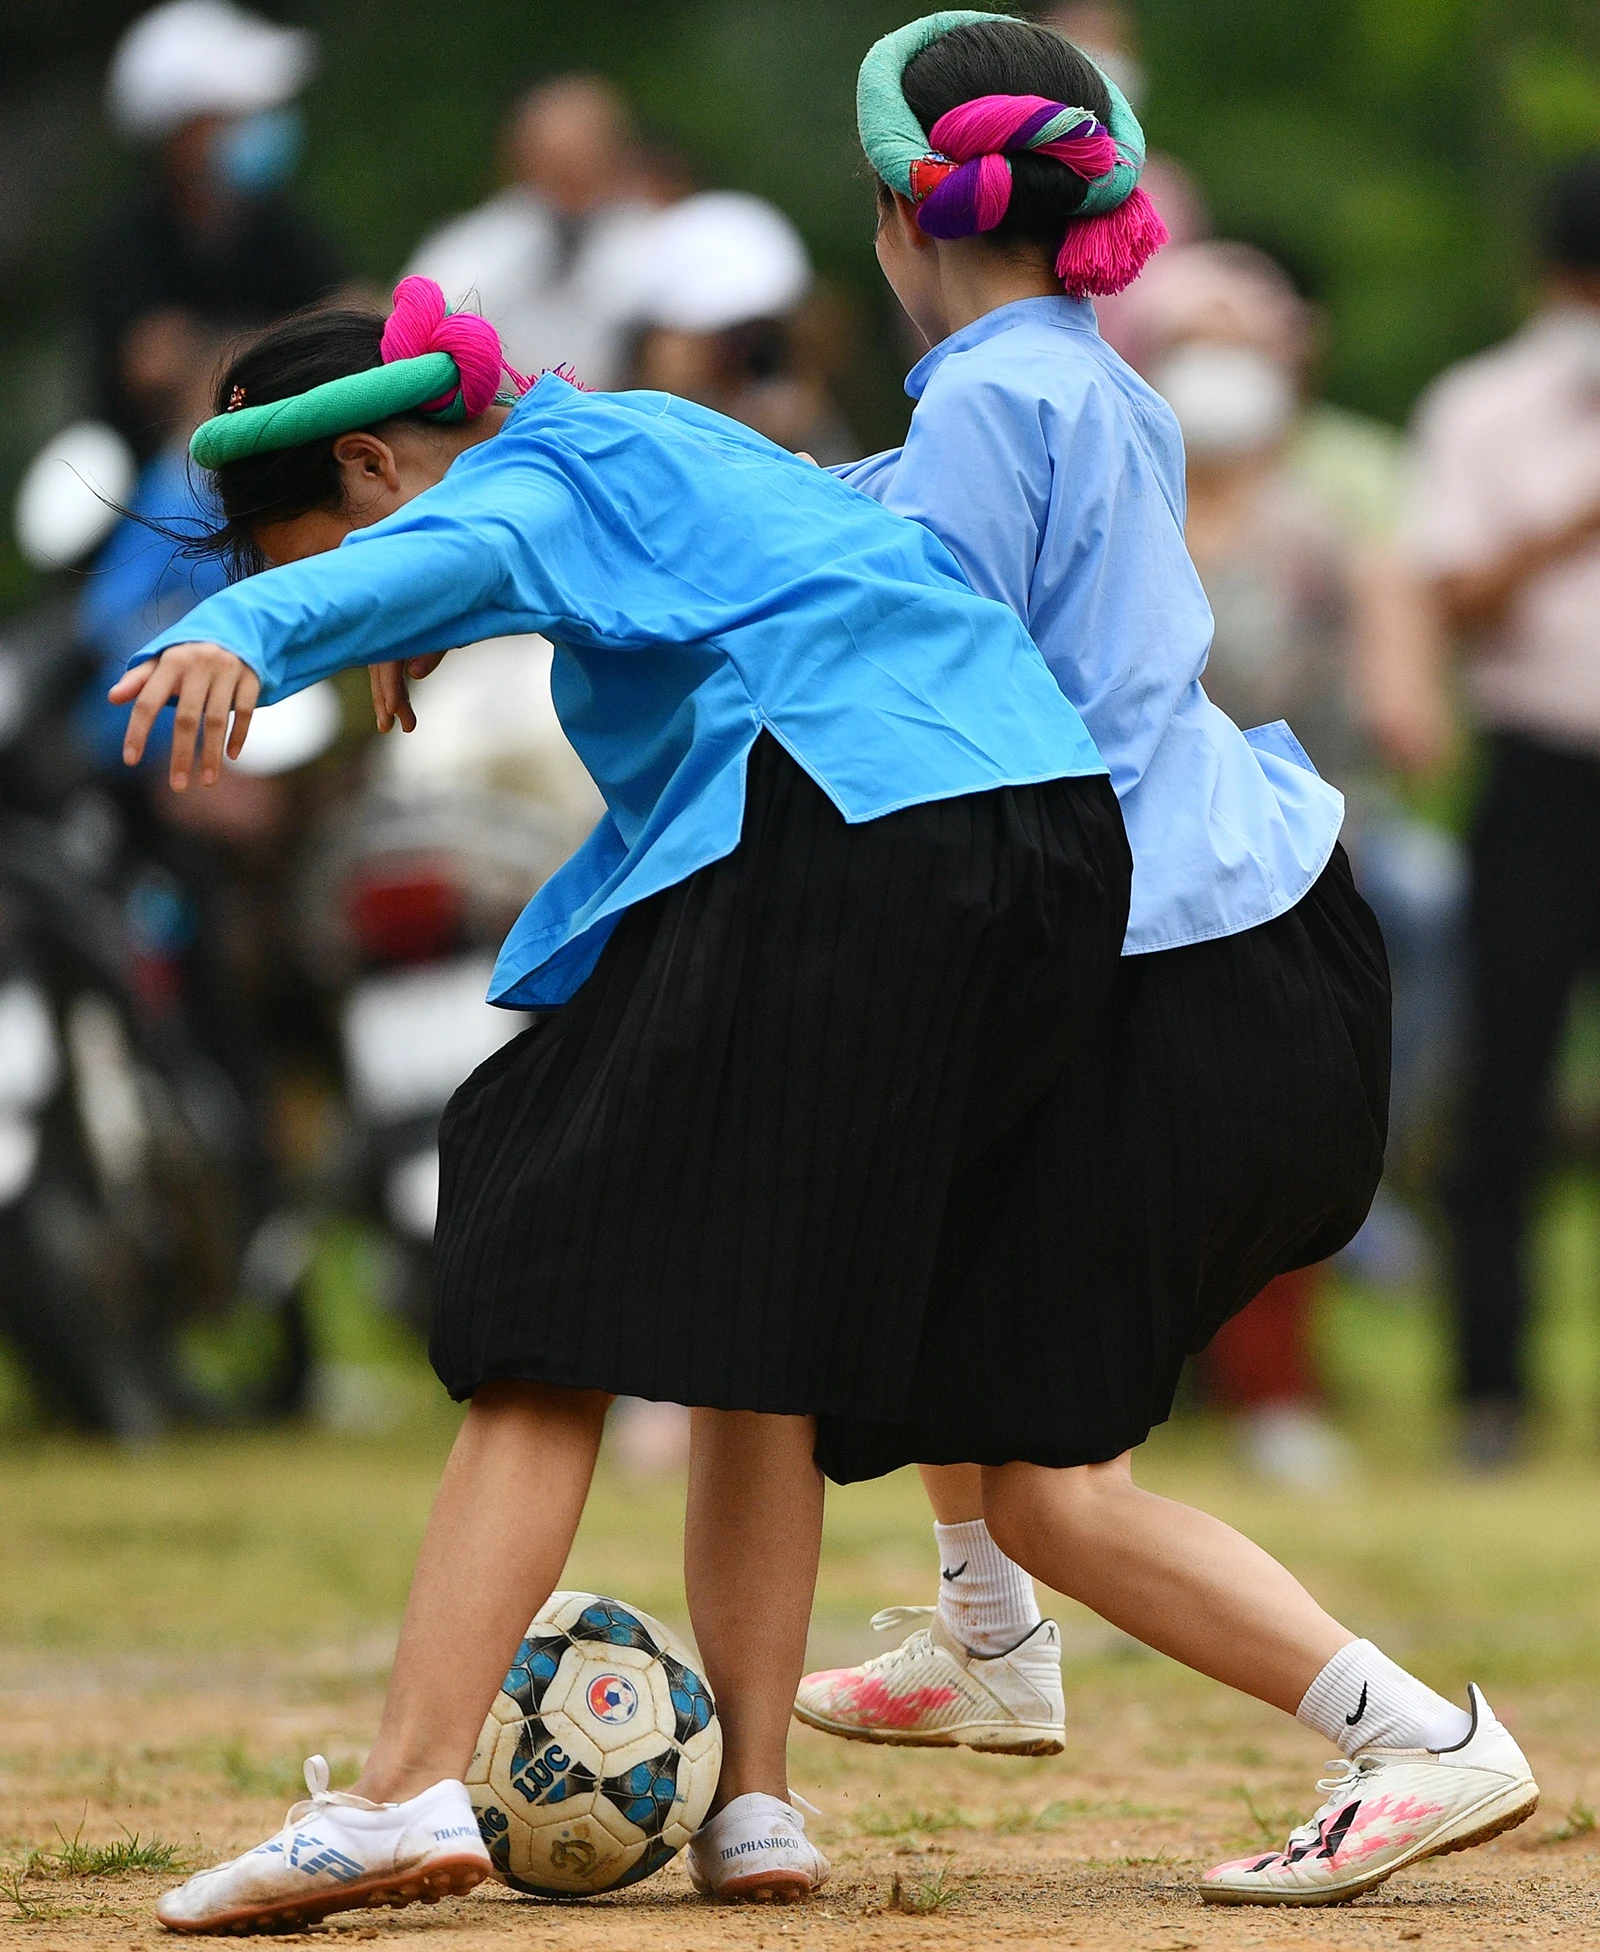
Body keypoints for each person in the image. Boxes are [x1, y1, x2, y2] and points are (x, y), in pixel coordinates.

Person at [116, 274, 1128, 1930]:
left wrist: (246, 626)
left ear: (372, 465)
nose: (360, 596)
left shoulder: (523, 483)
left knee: (532, 1281)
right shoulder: (656, 433)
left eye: (320, 550)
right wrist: (391, 603)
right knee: (751, 1308)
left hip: (845, 816)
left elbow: (462, 540)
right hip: (1033, 840)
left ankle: (396, 1793)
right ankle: (758, 1809)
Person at [791, 14, 1533, 1909]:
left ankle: (1416, 1740)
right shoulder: (1084, 375)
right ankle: (984, 1632)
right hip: (1250, 928)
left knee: (1058, 1477)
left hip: (1173, 966)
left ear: (900, 209)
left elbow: (927, 676)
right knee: (933, 1246)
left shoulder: (978, 398)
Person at [1409, 153, 1600, 1469]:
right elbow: (1453, 601)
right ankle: (1490, 1389)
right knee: (1507, 1085)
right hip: (1542, 770)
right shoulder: (1484, 406)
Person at [94, 0, 342, 458]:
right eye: (237, 113)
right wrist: (291, 344)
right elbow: (150, 359)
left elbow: (348, 304)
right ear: (181, 133)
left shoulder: (275, 226)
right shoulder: (130, 243)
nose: (261, 124)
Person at [402, 75, 659, 389]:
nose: (569, 173)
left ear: (618, 153)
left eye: (580, 154)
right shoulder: (472, 245)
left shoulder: (663, 242)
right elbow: (416, 330)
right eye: (552, 157)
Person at [627, 190, 858, 463]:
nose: (742, 357)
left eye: (761, 339)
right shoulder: (626, 446)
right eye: (728, 338)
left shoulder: (817, 437)